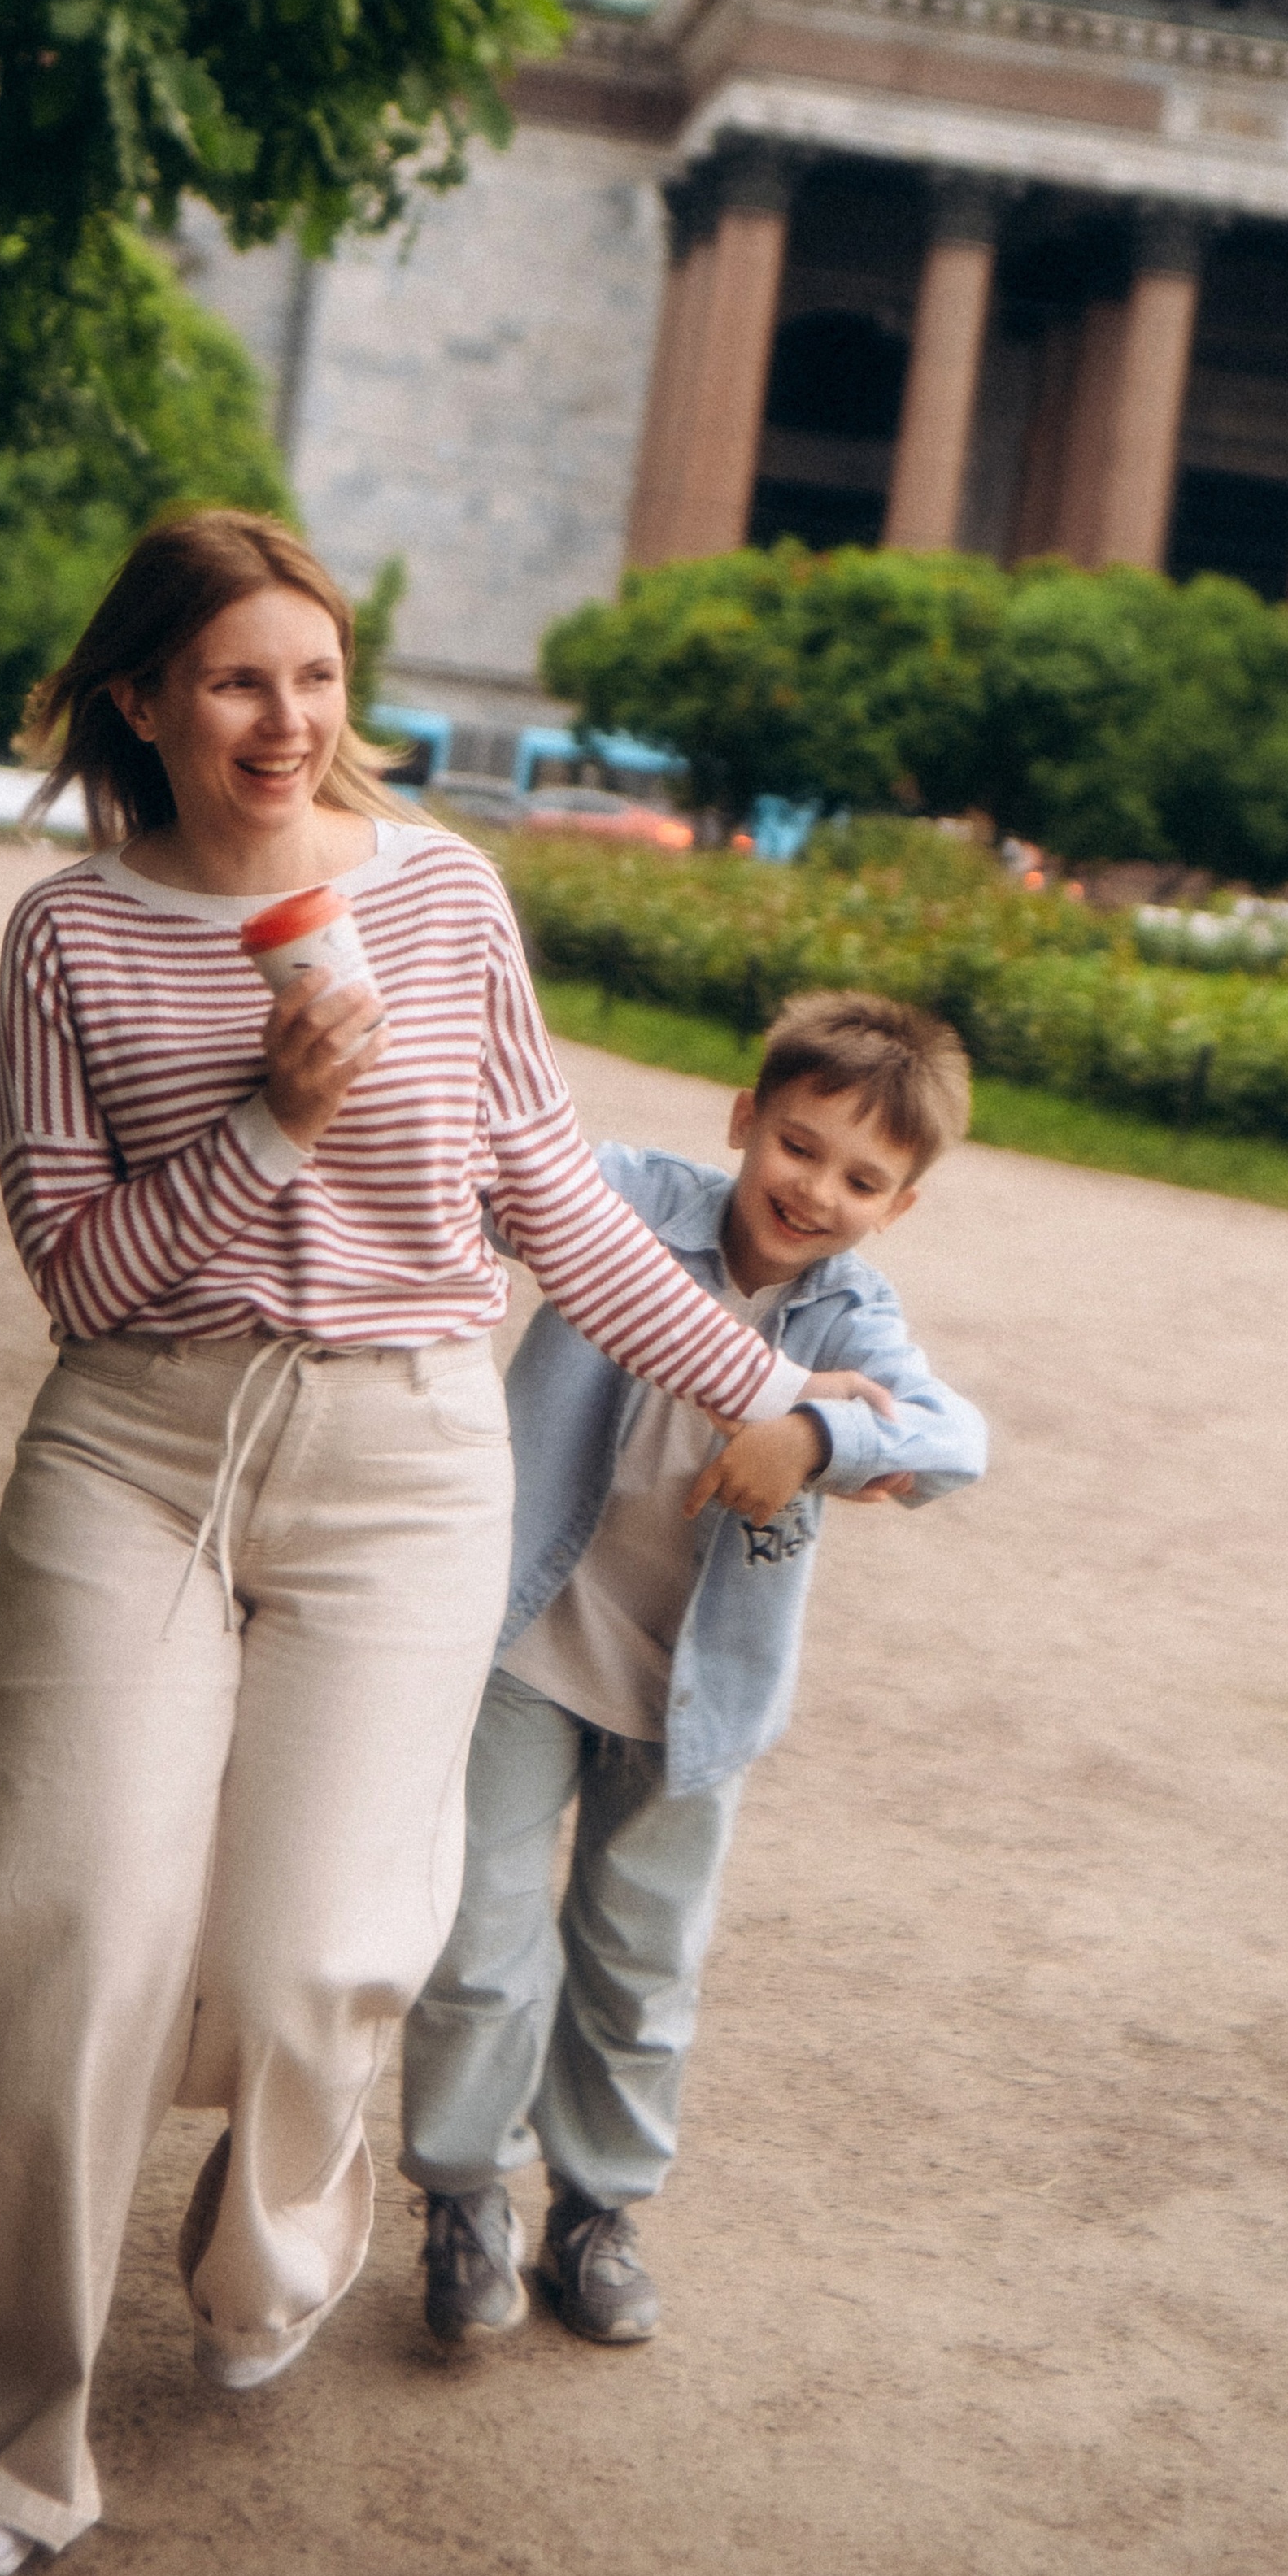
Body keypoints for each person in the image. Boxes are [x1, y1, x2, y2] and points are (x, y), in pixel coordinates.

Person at [0, 512, 890, 2576]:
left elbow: (552, 1197)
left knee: (312, 1950)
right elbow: (78, 1279)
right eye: (240, 680)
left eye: (319, 676)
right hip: (136, 1452)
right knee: (52, 1930)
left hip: (404, 1454)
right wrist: (262, 1123)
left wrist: (758, 1394)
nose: (289, 720)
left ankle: (276, 2234)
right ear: (144, 700)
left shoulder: (440, 893)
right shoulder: (70, 938)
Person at [399, 992, 986, 2352]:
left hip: (692, 1701)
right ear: (744, 1121)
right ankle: (462, 2193)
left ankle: (597, 2210)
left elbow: (957, 1442)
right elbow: (490, 1179)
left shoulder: (852, 1319)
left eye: (862, 1179)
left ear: (898, 1206)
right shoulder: (630, 1200)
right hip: (523, 1648)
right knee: (479, 1943)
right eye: (798, 1146)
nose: (816, 1191)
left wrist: (822, 1438)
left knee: (640, 1962)